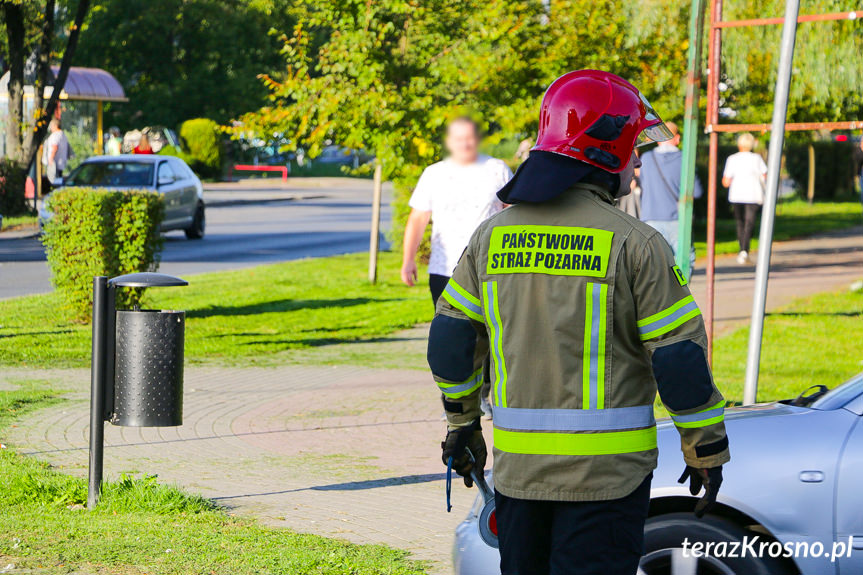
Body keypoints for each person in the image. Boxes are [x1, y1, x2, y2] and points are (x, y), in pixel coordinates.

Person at [427, 70, 730, 575]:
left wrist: (462, 425)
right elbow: (678, 356)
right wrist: (705, 446)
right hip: (607, 485)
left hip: (519, 479)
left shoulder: (491, 238)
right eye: (634, 146)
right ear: (604, 151)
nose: (637, 160)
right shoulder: (637, 243)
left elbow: (452, 340)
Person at [402, 117, 512, 418]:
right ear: (449, 142)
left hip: (487, 267)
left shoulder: (497, 169)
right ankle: (455, 401)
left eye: (469, 137)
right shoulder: (434, 174)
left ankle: (485, 396)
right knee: (451, 336)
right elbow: (418, 218)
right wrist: (408, 259)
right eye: (458, 138)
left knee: (489, 334)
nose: (465, 143)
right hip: (444, 268)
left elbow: (512, 212)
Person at [638, 121, 701, 273]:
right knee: (684, 260)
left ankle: (658, 295)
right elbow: (696, 192)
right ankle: (680, 294)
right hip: (677, 219)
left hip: (650, 218)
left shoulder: (646, 159)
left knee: (655, 262)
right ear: (677, 139)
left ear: (658, 138)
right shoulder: (685, 160)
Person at [722, 132, 766, 264]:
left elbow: (725, 181)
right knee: (749, 223)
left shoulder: (732, 159)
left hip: (737, 195)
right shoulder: (757, 158)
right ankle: (744, 251)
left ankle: (743, 250)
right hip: (753, 194)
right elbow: (765, 175)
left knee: (740, 222)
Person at [42, 118, 72, 185]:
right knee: (58, 181)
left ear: (55, 126)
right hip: (61, 163)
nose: (50, 128)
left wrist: (50, 159)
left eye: (51, 126)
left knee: (53, 182)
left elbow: (55, 147)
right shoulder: (63, 135)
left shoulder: (55, 135)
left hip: (54, 164)